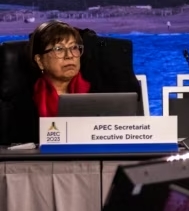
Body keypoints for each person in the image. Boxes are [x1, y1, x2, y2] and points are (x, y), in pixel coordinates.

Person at [8, 20, 139, 144]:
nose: (69, 55)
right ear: (40, 61)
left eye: (74, 48)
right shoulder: (22, 103)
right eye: (59, 49)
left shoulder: (102, 91)